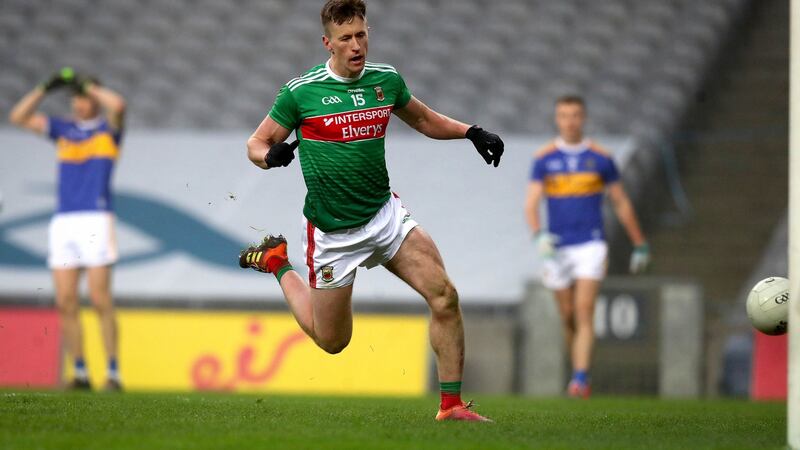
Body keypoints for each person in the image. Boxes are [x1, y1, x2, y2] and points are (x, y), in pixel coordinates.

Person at [239, 0, 503, 422]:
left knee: (445, 297)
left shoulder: (386, 80)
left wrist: (470, 132)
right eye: (346, 38)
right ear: (328, 43)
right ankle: (277, 263)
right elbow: (256, 143)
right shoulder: (301, 92)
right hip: (334, 235)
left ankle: (451, 405)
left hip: (385, 219)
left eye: (362, 34)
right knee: (332, 342)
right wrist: (269, 157)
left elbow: (422, 119)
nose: (356, 44)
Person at [8, 67, 127, 391]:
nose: (78, 103)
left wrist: (90, 84)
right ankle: (80, 370)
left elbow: (118, 106)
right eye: (75, 98)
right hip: (64, 221)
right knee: (65, 300)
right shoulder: (63, 130)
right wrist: (44, 87)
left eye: (84, 98)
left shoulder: (108, 131)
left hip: (96, 220)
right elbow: (18, 116)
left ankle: (113, 372)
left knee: (100, 299)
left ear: (94, 100)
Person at [524, 95, 650, 398]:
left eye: (575, 115)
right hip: (557, 245)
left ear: (584, 119)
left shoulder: (601, 158)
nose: (570, 121)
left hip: (590, 244)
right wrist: (538, 235)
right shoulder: (544, 158)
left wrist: (639, 243)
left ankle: (580, 378)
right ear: (557, 119)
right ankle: (578, 370)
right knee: (567, 315)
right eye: (564, 115)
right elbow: (531, 203)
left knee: (583, 310)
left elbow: (620, 202)